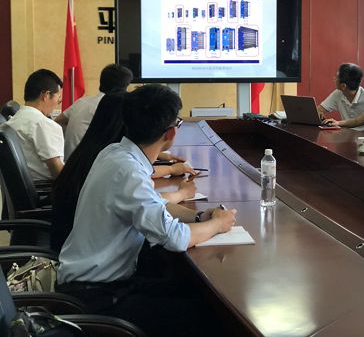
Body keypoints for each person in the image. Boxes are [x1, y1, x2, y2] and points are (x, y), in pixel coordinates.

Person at [57, 84, 237, 337]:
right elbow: (175, 238)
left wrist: (199, 217)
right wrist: (218, 224)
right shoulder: (128, 171)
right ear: (171, 132)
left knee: (191, 290)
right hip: (98, 297)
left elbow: (152, 203)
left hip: (97, 283)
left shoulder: (114, 153)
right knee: (210, 318)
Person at [50, 91, 198, 253]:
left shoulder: (105, 151)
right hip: (91, 258)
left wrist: (196, 213)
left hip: (76, 248)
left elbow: (149, 201)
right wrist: (214, 221)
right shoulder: (123, 166)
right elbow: (174, 236)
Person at [55, 63, 133, 159]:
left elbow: (58, 121)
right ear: (123, 88)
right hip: (91, 162)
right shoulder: (112, 106)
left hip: (70, 161)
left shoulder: (82, 102)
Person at [6, 69, 64, 181]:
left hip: (23, 188)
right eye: (58, 99)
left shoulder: (12, 122)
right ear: (46, 95)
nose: (57, 104)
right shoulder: (43, 124)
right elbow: (59, 174)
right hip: (46, 189)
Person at [317, 63, 364, 132]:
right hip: (347, 133)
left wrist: (338, 123)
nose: (334, 79)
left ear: (343, 86)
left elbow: (357, 121)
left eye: (337, 77)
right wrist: (319, 113)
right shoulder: (338, 93)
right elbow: (320, 109)